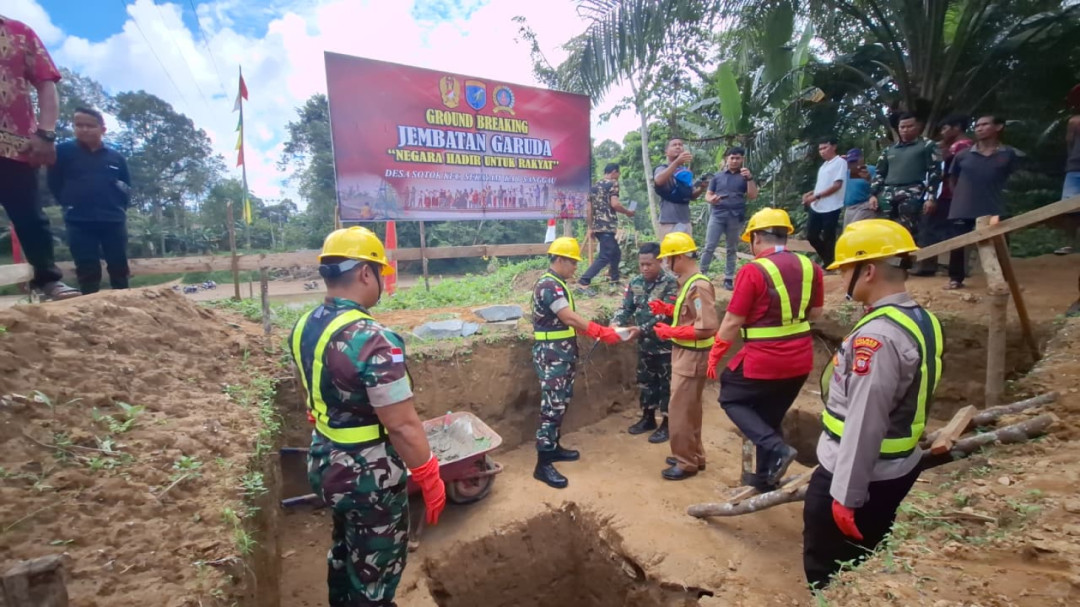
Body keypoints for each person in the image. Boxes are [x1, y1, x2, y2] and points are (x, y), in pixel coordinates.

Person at [289, 227, 446, 606]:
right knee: (376, 568)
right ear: (365, 273)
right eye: (381, 272)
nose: (381, 281)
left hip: (326, 463)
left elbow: (314, 391)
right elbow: (402, 424)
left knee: (344, 550)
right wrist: (429, 475)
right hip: (368, 481)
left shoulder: (307, 324)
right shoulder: (373, 339)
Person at [802, 219, 944, 589]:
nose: (839, 278)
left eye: (844, 269)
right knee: (862, 561)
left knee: (827, 569)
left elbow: (865, 422)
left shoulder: (878, 338)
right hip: (898, 466)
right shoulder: (920, 319)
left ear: (867, 270)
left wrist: (846, 497)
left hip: (862, 476)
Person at [705, 208, 825, 490]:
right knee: (769, 417)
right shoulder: (811, 267)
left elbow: (733, 320)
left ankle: (779, 449)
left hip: (765, 359)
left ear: (757, 237)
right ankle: (764, 478)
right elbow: (817, 312)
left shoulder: (754, 270)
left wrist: (716, 354)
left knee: (732, 397)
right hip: (800, 361)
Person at [532, 237, 622, 488]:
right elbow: (568, 317)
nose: (575, 268)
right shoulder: (549, 285)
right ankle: (542, 464)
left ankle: (553, 448)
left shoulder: (557, 283)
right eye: (572, 262)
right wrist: (599, 331)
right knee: (551, 406)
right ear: (559, 259)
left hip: (561, 353)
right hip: (552, 355)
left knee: (560, 402)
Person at [0, 14, 79, 300]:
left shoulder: (20, 33)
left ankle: (48, 281)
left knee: (30, 217)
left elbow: (46, 82)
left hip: (14, 146)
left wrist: (46, 133)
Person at [649, 232, 719, 480]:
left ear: (679, 257)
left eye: (669, 259)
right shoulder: (689, 283)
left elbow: (706, 327)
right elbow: (690, 314)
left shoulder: (698, 286)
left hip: (692, 357)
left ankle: (685, 461)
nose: (667, 265)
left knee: (679, 410)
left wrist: (670, 331)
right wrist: (667, 310)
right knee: (690, 409)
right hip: (686, 354)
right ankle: (693, 455)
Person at [46, 107, 131, 294]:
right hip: (78, 220)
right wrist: (68, 203)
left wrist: (119, 207)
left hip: (113, 219)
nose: (84, 129)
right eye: (79, 125)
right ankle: (88, 304)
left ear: (103, 129)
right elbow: (53, 183)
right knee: (86, 266)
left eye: (90, 125)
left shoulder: (116, 157)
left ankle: (124, 300)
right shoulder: (62, 152)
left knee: (119, 264)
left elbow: (126, 187)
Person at [611, 242, 680, 443]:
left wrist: (642, 329)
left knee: (666, 385)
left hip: (665, 346)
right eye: (642, 264)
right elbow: (626, 308)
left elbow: (665, 315)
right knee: (646, 382)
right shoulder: (636, 283)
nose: (645, 268)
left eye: (649, 264)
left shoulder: (670, 284)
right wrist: (616, 322)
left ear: (660, 261)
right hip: (644, 345)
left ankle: (667, 424)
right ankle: (648, 418)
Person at [944, 114, 1018, 290]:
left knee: (1001, 243)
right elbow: (951, 178)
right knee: (958, 243)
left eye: (985, 124)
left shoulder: (1008, 154)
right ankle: (955, 278)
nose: (979, 128)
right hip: (964, 206)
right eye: (977, 126)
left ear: (998, 127)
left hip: (994, 204)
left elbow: (1013, 179)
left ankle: (1004, 280)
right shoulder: (962, 155)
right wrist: (959, 197)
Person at [870, 112, 943, 241]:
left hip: (912, 193)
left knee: (908, 232)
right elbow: (879, 173)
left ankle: (908, 261)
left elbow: (935, 173)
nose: (905, 130)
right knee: (883, 230)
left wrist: (931, 198)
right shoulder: (890, 150)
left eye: (910, 126)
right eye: (902, 127)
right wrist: (872, 195)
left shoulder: (927, 145)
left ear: (918, 127)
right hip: (887, 194)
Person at [916, 115, 973, 275]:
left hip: (951, 194)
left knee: (940, 229)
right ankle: (934, 265)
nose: (942, 133)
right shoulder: (953, 145)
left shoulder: (963, 146)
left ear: (957, 127)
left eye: (945, 128)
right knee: (935, 228)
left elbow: (947, 166)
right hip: (946, 194)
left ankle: (934, 266)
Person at [702, 147, 758, 290]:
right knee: (709, 246)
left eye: (737, 158)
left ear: (742, 159)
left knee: (731, 249)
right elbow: (707, 195)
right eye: (732, 158)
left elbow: (752, 196)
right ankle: (702, 275)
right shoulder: (717, 176)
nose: (734, 161)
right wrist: (712, 199)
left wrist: (750, 178)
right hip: (717, 214)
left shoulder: (745, 177)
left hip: (735, 216)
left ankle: (728, 278)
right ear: (727, 158)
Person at [579, 163, 635, 292]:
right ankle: (584, 280)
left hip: (597, 227)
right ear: (614, 172)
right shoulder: (613, 184)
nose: (618, 177)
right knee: (605, 256)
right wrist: (628, 212)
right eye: (618, 174)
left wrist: (591, 227)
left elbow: (588, 209)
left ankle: (614, 279)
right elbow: (615, 204)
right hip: (607, 226)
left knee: (616, 252)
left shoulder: (593, 187)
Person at [802, 137, 847, 269]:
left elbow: (837, 185)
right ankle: (830, 259)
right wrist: (810, 193)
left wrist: (816, 196)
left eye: (825, 148)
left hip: (832, 206)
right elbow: (822, 184)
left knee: (829, 236)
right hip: (818, 206)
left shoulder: (839, 162)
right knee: (811, 235)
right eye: (820, 149)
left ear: (834, 147)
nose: (822, 151)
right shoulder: (824, 165)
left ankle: (830, 263)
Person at [653, 138, 708, 237]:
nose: (678, 146)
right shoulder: (662, 168)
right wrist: (677, 162)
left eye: (680, 145)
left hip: (685, 220)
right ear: (666, 152)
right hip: (668, 221)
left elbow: (691, 195)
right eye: (674, 145)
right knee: (670, 251)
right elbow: (658, 180)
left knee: (686, 252)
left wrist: (701, 188)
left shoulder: (685, 172)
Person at [1055, 84, 1080, 255]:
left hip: (1074, 166)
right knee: (1069, 209)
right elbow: (1069, 144)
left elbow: (1069, 143)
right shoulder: (1074, 121)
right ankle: (1070, 244)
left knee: (1070, 209)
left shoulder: (1074, 121)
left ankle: (1071, 244)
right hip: (1075, 167)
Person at [842, 149, 877, 228]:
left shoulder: (871, 170)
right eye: (851, 162)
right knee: (847, 234)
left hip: (864, 205)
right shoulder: (846, 172)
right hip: (849, 208)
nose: (853, 164)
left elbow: (879, 185)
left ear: (861, 159)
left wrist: (869, 179)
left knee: (854, 230)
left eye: (855, 161)